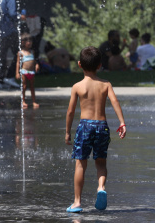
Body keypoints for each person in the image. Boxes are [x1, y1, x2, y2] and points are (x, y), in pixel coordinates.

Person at [65, 46, 126, 213]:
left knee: (80, 165)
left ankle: (77, 202)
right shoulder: (105, 84)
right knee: (101, 162)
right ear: (100, 65)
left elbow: (70, 111)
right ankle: (101, 187)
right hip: (101, 126)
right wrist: (122, 123)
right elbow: (115, 102)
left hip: (85, 126)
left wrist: (67, 131)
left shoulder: (77, 86)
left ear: (79, 64)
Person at [16, 33, 40, 109]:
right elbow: (18, 63)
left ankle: (34, 101)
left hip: (31, 72)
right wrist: (17, 72)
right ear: (23, 42)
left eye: (30, 41)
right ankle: (23, 101)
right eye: (27, 41)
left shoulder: (32, 51)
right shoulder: (20, 53)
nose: (29, 42)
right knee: (24, 86)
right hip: (24, 71)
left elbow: (34, 60)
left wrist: (36, 65)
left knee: (32, 87)